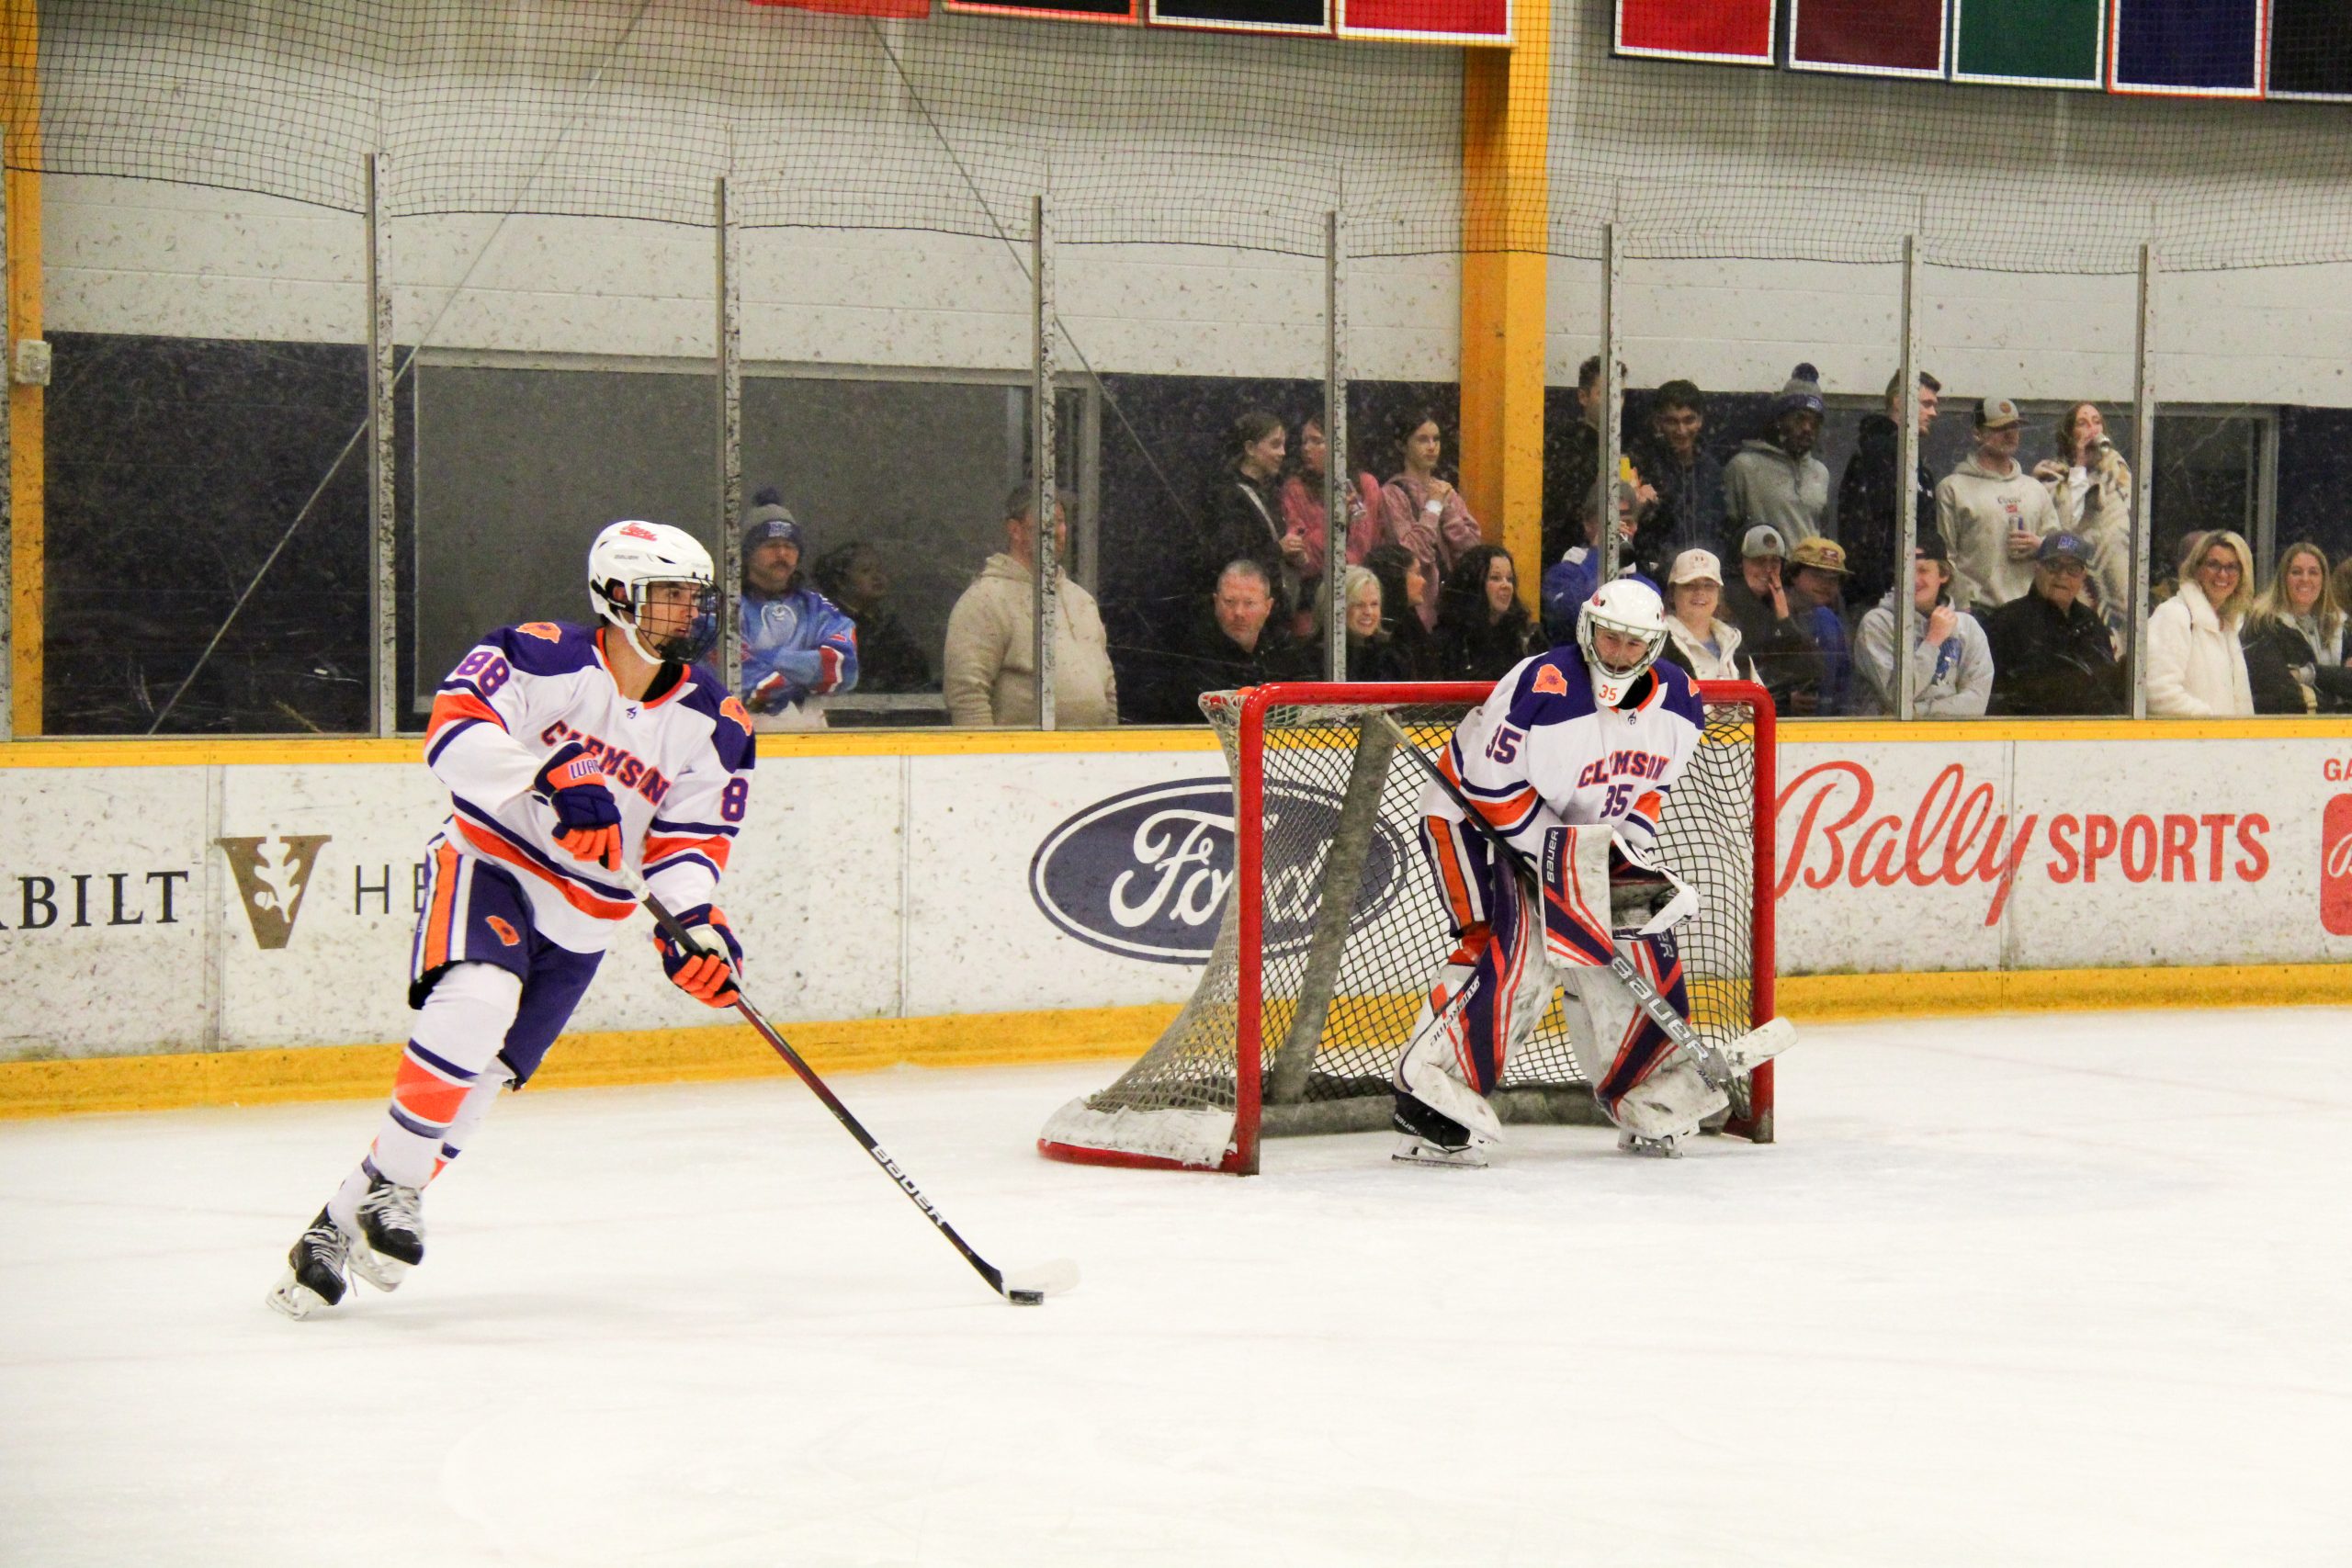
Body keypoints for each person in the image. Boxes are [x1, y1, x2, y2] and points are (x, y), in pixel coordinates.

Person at [267, 520, 758, 1319]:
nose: (687, 613)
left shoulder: (719, 722)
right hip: (491, 862)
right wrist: (550, 773)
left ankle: (336, 1222)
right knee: (479, 1000)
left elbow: (691, 840)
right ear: (617, 596)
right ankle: (395, 1189)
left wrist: (696, 922)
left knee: (485, 1074)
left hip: (587, 919)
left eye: (693, 598)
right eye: (669, 596)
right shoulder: (536, 653)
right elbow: (452, 733)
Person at [1389, 578, 1766, 1166]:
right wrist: (1563, 872)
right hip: (1471, 818)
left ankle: (1648, 1091)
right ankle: (1434, 1095)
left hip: (1580, 840)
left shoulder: (1681, 702)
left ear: (1653, 647)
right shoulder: (1544, 684)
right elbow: (1493, 791)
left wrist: (1622, 859)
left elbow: (1650, 791)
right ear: (1589, 631)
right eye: (1607, 638)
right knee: (1509, 943)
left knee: (1638, 935)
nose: (1615, 653)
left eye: (1630, 644)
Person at [942, 484, 1117, 728]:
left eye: (1060, 521)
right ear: (1015, 530)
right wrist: (987, 762)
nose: (1055, 531)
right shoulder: (985, 600)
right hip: (1021, 762)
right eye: (1046, 520)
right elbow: (968, 695)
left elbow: (1107, 692)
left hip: (1091, 759)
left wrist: (1112, 751)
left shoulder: (1082, 602)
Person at [738, 493, 861, 733]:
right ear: (748, 553)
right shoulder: (722, 608)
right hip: (738, 732)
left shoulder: (819, 609)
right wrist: (807, 676)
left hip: (810, 732)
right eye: (771, 546)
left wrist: (768, 658)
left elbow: (844, 669)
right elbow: (737, 678)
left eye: (789, 546)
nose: (782, 554)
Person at [1983, 532, 2127, 716]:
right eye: (2053, 565)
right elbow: (1993, 697)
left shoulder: (2091, 622)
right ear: (2037, 568)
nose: (2062, 575)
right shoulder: (2005, 622)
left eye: (2073, 568)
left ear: (2083, 576)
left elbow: (2109, 686)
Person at [1939, 397, 2059, 615]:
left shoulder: (2034, 489)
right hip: (1976, 610)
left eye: (2014, 426)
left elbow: (2060, 547)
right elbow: (1945, 555)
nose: (2010, 433)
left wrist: (2040, 545)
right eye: (1999, 428)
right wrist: (1961, 602)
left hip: (2029, 610)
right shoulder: (1953, 488)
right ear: (1978, 433)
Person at [1838, 369, 1942, 614]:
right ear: (1899, 401)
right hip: (1880, 599)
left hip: (1912, 595)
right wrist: (1877, 591)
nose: (1933, 413)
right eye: (1926, 404)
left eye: (1934, 406)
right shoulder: (1874, 458)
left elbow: (1926, 538)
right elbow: (1863, 532)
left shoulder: (1919, 469)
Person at [1852, 540, 1992, 718]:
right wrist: (1932, 641)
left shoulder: (1968, 627)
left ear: (1943, 574)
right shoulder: (1877, 624)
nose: (1913, 579)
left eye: (1923, 570)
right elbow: (1897, 698)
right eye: (1905, 570)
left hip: (1953, 739)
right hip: (1888, 740)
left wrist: (1917, 712)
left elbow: (1976, 703)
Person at [1153, 559, 1306, 720]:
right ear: (1216, 602)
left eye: (1249, 603)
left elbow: (1309, 704)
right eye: (1229, 602)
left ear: (1268, 607)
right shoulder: (1194, 653)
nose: (1239, 612)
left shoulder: (1283, 646)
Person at [2031, 403, 2134, 641]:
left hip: (2115, 572)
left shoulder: (2118, 471)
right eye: (2083, 422)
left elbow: (2125, 521)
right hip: (2073, 575)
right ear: (2069, 433)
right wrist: (2079, 463)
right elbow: (2068, 525)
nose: (2092, 428)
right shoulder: (2050, 475)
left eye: (2096, 421)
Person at [1277, 414, 1381, 642]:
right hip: (1314, 597)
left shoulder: (1365, 484)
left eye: (1316, 441)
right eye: (1304, 442)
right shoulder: (1295, 488)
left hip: (1359, 593)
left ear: (1338, 444)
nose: (1306, 448)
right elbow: (1306, 558)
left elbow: (1365, 546)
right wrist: (1336, 521)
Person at [1379, 412, 1483, 632]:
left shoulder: (1446, 491)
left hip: (1451, 606)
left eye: (1436, 439)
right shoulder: (1392, 493)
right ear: (1402, 446)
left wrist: (1447, 512)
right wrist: (1433, 508)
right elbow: (1409, 552)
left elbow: (1473, 550)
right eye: (1422, 439)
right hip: (1416, 608)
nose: (1431, 446)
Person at [1721, 362, 1832, 550]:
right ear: (1780, 419)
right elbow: (1727, 532)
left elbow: (1822, 531)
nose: (1807, 428)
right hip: (1762, 573)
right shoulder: (1744, 467)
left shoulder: (1821, 473)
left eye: (1815, 423)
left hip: (1807, 577)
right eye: (1800, 418)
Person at [2145, 530, 2256, 717]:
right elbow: (2157, 692)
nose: (2223, 574)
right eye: (2214, 565)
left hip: (2227, 744)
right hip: (2189, 744)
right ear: (2196, 569)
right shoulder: (2174, 615)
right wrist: (2211, 723)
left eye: (2232, 567)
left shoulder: (2228, 626)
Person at [1627, 379, 1726, 582]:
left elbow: (1719, 532)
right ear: (1658, 422)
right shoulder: (1640, 467)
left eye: (1689, 420)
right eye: (1672, 421)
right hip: (1652, 579)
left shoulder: (1712, 470)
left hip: (1703, 578)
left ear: (1700, 421)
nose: (1681, 430)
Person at [1200, 411, 1295, 620]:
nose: (1283, 453)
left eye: (1284, 445)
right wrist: (1279, 549)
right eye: (1275, 444)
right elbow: (1231, 559)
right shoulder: (1228, 495)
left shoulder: (1270, 492)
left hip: (1272, 606)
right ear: (1250, 448)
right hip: (1245, 611)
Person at [2242, 541, 2352, 715]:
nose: (2305, 579)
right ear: (2283, 578)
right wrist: (2338, 693)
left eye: (2313, 572)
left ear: (2324, 580)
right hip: (2286, 734)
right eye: (2296, 572)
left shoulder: (2342, 627)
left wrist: (2309, 674)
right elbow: (2281, 693)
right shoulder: (2262, 625)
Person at [1714, 525, 1815, 712]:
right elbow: (1743, 670)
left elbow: (1812, 669)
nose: (1768, 569)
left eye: (1774, 562)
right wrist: (1782, 700)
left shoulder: (1781, 603)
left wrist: (1785, 618)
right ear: (1740, 563)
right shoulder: (1721, 603)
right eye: (1759, 561)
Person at [810, 542, 929, 694]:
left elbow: (917, 675)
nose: (877, 577)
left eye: (880, 569)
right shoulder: (829, 626)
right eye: (866, 571)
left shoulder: (890, 626)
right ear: (840, 582)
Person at [1432, 544, 1538, 682]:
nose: (1506, 585)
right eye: (1495, 578)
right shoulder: (1449, 642)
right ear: (1474, 584)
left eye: (1510, 579)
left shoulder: (1525, 637)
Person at [1543, 355, 1605, 569]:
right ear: (1583, 397)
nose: (1615, 401)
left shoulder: (1625, 448)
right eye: (1604, 393)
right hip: (1567, 554)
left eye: (1620, 394)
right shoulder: (1564, 447)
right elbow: (1566, 509)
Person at [1657, 548, 1752, 682]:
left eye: (1708, 586)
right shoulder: (1658, 642)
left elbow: (1761, 698)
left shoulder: (1733, 640)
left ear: (1718, 595)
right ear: (1672, 594)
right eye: (1689, 585)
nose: (1700, 592)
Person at [1364, 543, 1437, 679]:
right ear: (1397, 577)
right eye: (1417, 573)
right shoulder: (1377, 631)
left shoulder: (1410, 623)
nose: (1424, 581)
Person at [1337, 565, 1413, 682]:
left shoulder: (1393, 658)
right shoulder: (1317, 659)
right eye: (1358, 604)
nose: (1368, 612)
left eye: (1374, 604)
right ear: (1338, 609)